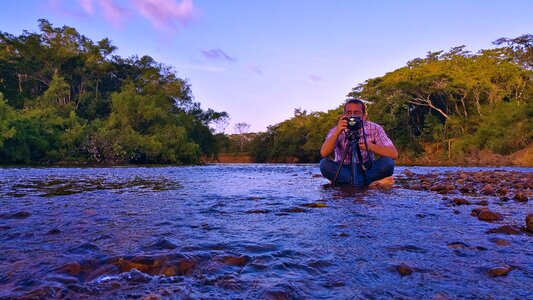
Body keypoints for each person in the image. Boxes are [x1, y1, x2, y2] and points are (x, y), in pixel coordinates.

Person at [319, 99, 398, 187]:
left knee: (388, 162)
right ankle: (369, 183)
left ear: (363, 116)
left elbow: (394, 154)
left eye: (356, 113)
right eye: (349, 112)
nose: (352, 116)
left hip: (367, 167)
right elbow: (324, 153)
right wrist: (337, 133)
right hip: (343, 167)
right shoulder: (336, 130)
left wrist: (371, 147)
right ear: (344, 115)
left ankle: (343, 181)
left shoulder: (375, 128)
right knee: (324, 164)